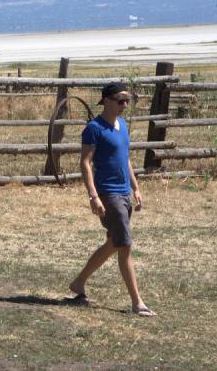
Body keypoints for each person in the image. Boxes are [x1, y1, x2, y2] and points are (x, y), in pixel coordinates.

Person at [68, 82, 156, 317]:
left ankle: (78, 284)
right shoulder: (94, 129)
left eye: (127, 101)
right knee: (125, 245)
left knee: (113, 243)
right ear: (106, 100)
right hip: (108, 194)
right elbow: (85, 163)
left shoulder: (122, 125)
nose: (124, 105)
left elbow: (124, 158)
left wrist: (136, 188)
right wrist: (93, 196)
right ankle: (137, 302)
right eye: (120, 100)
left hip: (124, 192)